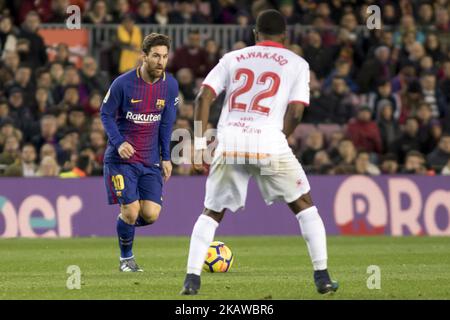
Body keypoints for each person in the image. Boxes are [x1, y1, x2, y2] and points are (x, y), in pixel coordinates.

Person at [180, 9, 338, 295]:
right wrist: (279, 137)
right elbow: (297, 111)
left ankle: (191, 279)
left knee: (211, 212)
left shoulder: (233, 58)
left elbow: (203, 97)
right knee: (304, 205)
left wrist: (201, 146)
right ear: (285, 35)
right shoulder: (297, 63)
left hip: (229, 142)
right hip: (268, 142)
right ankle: (322, 277)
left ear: (255, 33)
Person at [100, 33, 179, 272]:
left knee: (151, 214)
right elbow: (105, 114)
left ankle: (125, 222)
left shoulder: (170, 85)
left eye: (164, 56)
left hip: (150, 160)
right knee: (131, 209)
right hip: (121, 159)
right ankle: (126, 260)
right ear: (143, 56)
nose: (160, 61)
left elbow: (166, 124)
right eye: (155, 55)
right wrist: (119, 142)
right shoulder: (123, 84)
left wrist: (166, 157)